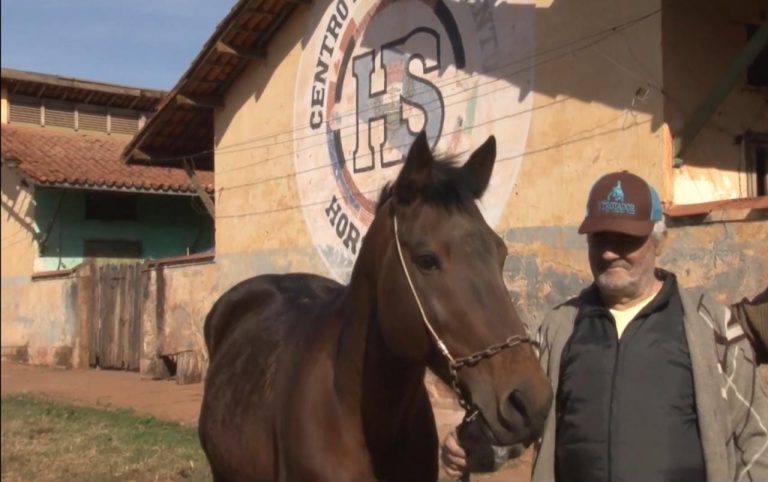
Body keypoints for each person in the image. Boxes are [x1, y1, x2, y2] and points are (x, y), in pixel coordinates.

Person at [441, 171, 768, 482]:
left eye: (626, 239)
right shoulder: (559, 328)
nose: (610, 252)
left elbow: (758, 437)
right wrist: (476, 448)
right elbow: (523, 420)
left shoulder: (710, 326)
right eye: (600, 238)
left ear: (660, 242)